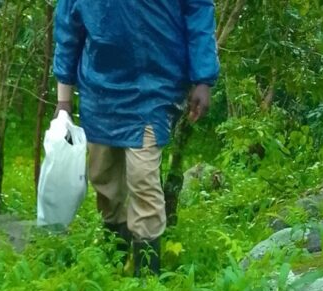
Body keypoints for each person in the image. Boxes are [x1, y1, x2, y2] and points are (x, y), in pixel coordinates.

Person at [53, 0, 220, 276]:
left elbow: (197, 9)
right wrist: (64, 101)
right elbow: (68, 29)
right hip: (100, 90)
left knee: (143, 177)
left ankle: (147, 278)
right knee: (103, 177)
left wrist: (203, 79)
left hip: (155, 86)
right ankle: (115, 258)